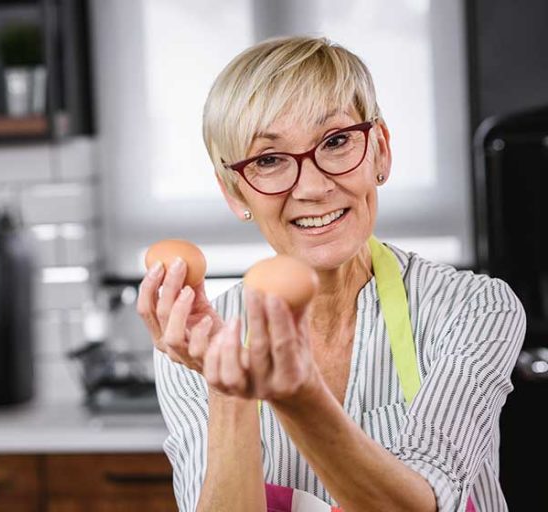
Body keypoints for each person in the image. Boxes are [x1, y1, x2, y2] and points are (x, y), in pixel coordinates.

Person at [136, 36, 526, 512]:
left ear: (379, 150)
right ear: (236, 192)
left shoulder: (473, 309)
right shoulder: (197, 344)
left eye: (336, 141)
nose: (315, 187)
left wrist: (298, 398)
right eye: (269, 160)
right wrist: (228, 388)